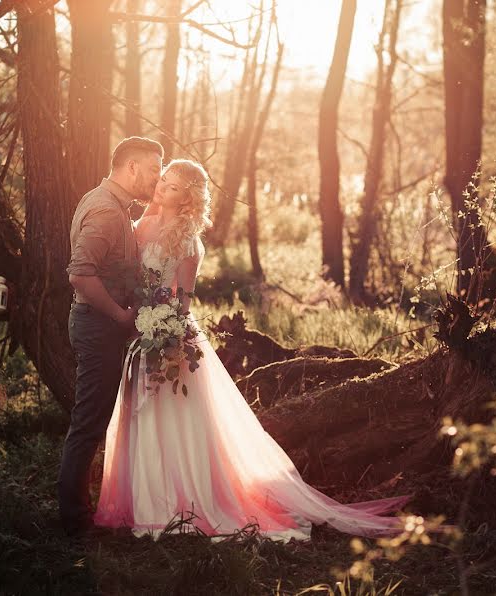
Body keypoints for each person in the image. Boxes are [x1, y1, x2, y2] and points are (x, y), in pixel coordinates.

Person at [93, 159, 409, 540]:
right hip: (139, 332)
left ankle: (183, 502)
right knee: (144, 418)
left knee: (176, 420)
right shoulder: (143, 224)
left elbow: (185, 300)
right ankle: (144, 501)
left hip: (169, 333)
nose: (162, 187)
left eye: (173, 186)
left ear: (189, 198)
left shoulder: (188, 240)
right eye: (163, 180)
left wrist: (164, 332)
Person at [60, 137, 164, 537]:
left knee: (94, 418)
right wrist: (121, 315)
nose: (156, 178)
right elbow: (80, 274)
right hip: (97, 325)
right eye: (153, 169)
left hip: (98, 324)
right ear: (132, 167)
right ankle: (73, 520)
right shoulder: (105, 210)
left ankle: (81, 508)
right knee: (88, 422)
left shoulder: (112, 204)